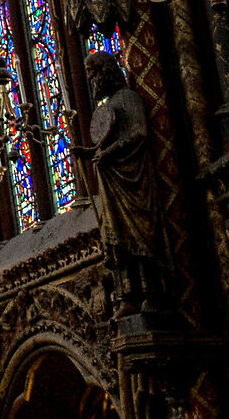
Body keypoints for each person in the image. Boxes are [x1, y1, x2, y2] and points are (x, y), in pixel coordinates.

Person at [85, 48, 167, 313]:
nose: (91, 80)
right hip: (111, 182)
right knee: (117, 239)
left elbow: (139, 132)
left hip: (133, 180)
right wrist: (87, 153)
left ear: (106, 71)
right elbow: (105, 140)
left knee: (138, 236)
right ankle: (128, 294)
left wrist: (108, 154)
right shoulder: (107, 106)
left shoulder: (128, 98)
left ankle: (152, 293)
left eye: (93, 73)